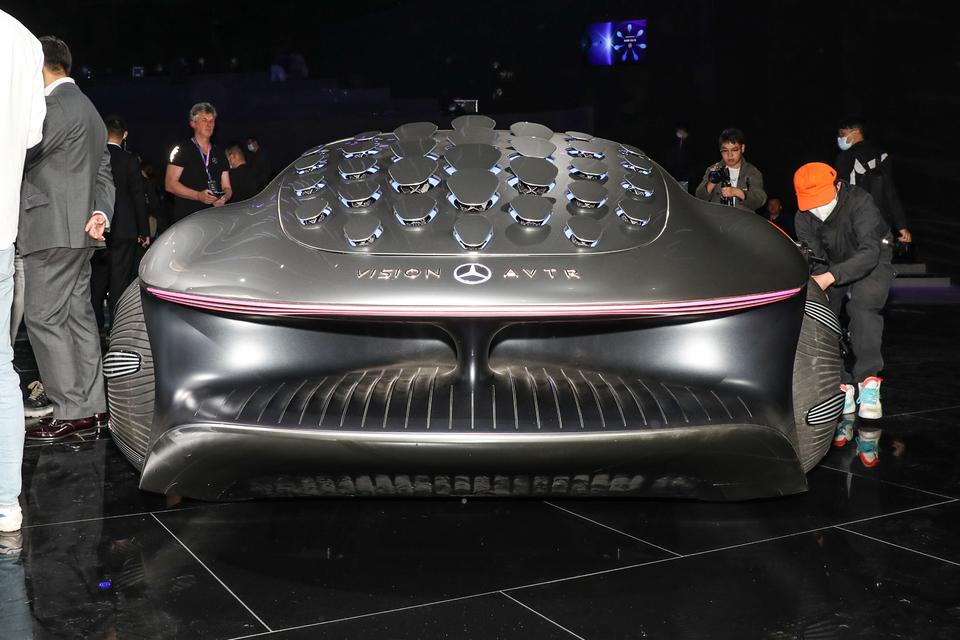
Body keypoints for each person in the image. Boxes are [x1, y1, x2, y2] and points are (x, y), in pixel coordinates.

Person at [19, 36, 114, 444]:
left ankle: (70, 410)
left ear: (39, 65)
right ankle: (93, 408)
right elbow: (104, 171)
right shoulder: (90, 110)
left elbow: (21, 154)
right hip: (82, 230)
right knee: (78, 317)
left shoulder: (53, 107)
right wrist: (101, 213)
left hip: (50, 228)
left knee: (43, 317)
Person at [793, 162, 895, 467]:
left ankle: (869, 382)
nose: (817, 209)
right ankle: (843, 385)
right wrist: (822, 282)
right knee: (824, 316)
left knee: (864, 306)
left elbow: (869, 252)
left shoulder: (860, 202)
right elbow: (815, 259)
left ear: (837, 186)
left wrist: (831, 277)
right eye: (811, 203)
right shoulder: (803, 217)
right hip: (832, 264)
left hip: (873, 257)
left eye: (821, 200)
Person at [0, 8, 46, 533]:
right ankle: (7, 503)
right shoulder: (24, 40)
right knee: (1, 367)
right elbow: (33, 136)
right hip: (1, 230)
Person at [833, 117, 912, 247]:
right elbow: (890, 192)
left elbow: (837, 191)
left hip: (855, 223)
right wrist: (901, 226)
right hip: (881, 223)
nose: (839, 137)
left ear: (856, 132)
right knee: (878, 255)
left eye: (842, 133)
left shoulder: (845, 157)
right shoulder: (882, 155)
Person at [164, 102, 232, 223]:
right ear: (193, 123)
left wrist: (224, 197)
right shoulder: (182, 149)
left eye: (212, 121)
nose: (209, 124)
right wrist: (198, 195)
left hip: (214, 218)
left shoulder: (219, 153)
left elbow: (227, 187)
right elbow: (170, 184)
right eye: (204, 120)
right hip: (188, 219)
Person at [695, 128, 766, 211]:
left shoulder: (752, 172)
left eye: (734, 150)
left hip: (742, 218)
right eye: (725, 151)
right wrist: (712, 182)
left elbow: (760, 200)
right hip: (717, 218)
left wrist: (738, 192)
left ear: (742, 148)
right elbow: (699, 197)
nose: (730, 155)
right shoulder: (713, 169)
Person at [664, 122, 694, 193]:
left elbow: (691, 160)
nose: (677, 133)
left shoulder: (691, 143)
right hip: (674, 174)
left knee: (682, 192)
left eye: (679, 131)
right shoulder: (675, 142)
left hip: (685, 176)